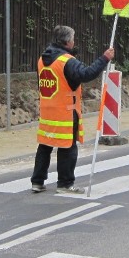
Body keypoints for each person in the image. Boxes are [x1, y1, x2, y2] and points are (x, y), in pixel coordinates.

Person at [30, 25, 114, 194]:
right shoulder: (67, 61)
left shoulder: (42, 59)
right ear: (68, 41)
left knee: (45, 145)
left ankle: (37, 182)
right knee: (68, 147)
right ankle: (65, 184)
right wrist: (104, 58)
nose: (74, 42)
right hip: (65, 112)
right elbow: (86, 74)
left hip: (47, 111)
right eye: (73, 39)